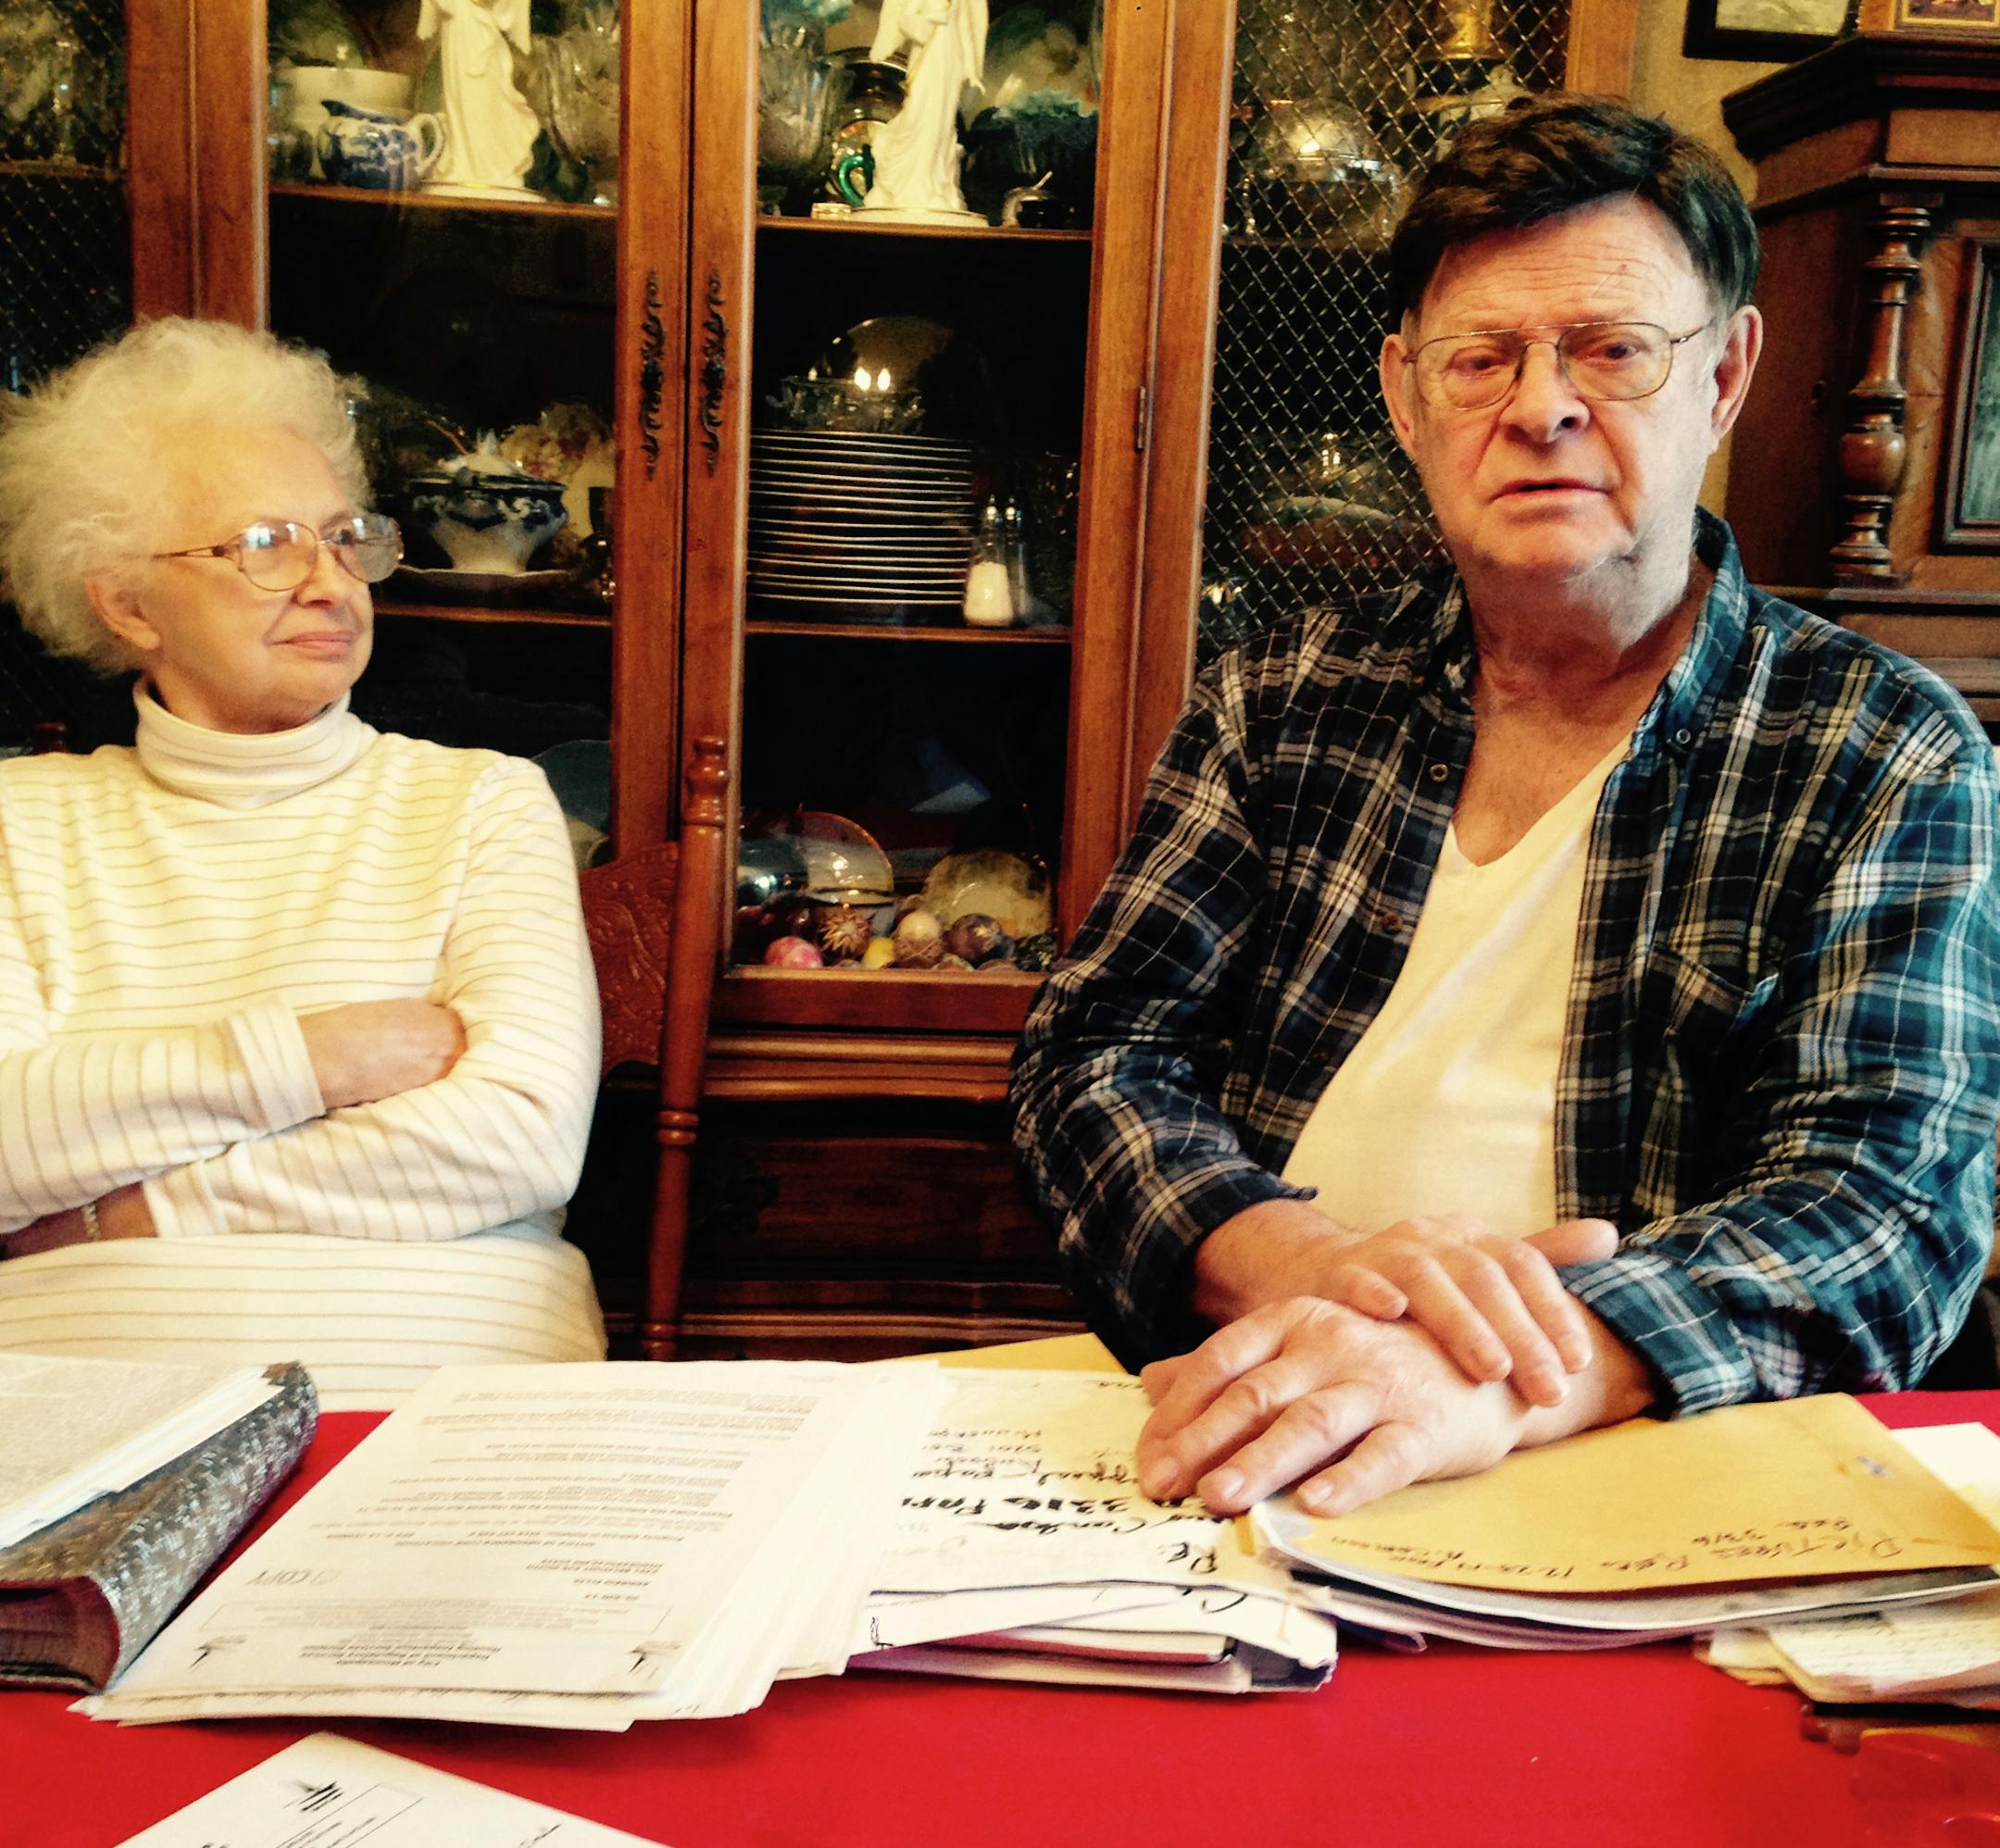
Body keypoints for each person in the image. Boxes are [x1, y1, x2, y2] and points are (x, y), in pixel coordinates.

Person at [1011, 95, 2000, 1521]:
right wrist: (1306, 1261)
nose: (1542, 407)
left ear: (1725, 375)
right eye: (1484, 358)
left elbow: (1883, 1204)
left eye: (1613, 348)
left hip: (1641, 1483)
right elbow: (1094, 1056)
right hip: (1254, 1420)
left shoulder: (1884, 750)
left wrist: (1483, 1374)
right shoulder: (1277, 699)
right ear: (1408, 397)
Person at [0, 318, 605, 1405]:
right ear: (127, 602)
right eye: (268, 544)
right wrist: (316, 1060)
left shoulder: (484, 802)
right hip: (81, 1409)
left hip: (440, 1402)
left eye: (344, 538)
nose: (332, 582)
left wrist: (127, 1210)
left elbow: (519, 1138)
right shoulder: (16, 822)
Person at [863, 0, 988, 217]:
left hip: (950, 60)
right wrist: (931, 20)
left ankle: (935, 185)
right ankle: (905, 183)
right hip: (927, 58)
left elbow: (966, 32)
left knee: (942, 124)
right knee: (917, 115)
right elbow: (906, 20)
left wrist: (972, 70)